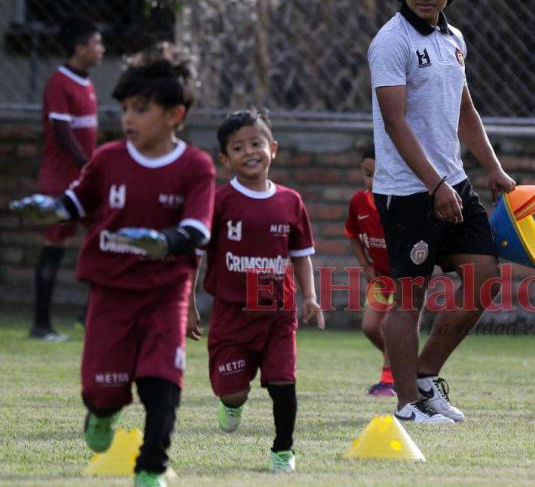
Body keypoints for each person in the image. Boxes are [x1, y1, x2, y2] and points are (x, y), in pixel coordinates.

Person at [10, 49, 215, 487]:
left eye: (141, 109)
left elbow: (199, 229)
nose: (128, 118)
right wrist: (50, 209)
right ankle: (101, 413)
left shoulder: (196, 166)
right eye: (124, 109)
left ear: (174, 114)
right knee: (102, 392)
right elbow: (74, 202)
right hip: (111, 292)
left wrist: (164, 242)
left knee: (163, 379)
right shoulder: (107, 159)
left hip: (165, 292)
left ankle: (151, 468)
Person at [368, 0, 516, 424]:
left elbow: (464, 110)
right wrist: (435, 187)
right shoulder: (391, 41)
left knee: (484, 278)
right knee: (409, 298)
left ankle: (425, 378)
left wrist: (492, 168)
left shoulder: (454, 41)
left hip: (454, 182)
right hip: (409, 191)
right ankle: (407, 405)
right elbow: (395, 123)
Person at [190, 109, 325, 473]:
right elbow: (196, 256)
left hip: (279, 312)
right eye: (238, 147)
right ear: (225, 158)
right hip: (232, 313)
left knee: (283, 380)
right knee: (234, 391)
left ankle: (283, 451)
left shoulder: (290, 201)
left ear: (273, 148)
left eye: (256, 143)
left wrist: (310, 297)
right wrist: (187, 304)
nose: (249, 152)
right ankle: (231, 402)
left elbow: (301, 256)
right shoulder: (219, 202)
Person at [32, 16, 104, 341]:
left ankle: (89, 315)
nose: (102, 49)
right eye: (97, 43)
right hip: (61, 182)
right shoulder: (59, 83)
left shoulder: (86, 82)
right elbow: (61, 133)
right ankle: (41, 326)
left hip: (84, 180)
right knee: (54, 247)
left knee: (106, 237)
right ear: (80, 48)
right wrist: (89, 166)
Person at [344, 145, 396, 397]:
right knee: (370, 326)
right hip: (379, 278)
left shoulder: (400, 203)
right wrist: (365, 266)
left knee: (391, 325)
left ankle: (389, 380)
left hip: (405, 278)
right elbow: (352, 234)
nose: (373, 180)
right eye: (368, 173)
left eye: (381, 174)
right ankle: (405, 361)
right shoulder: (358, 202)